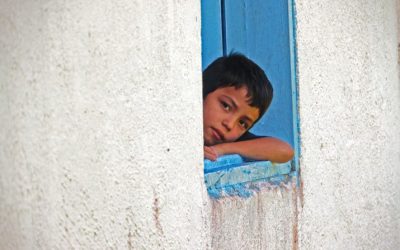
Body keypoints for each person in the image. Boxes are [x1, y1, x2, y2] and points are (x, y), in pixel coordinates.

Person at [203, 53, 294, 163]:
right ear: (202, 92)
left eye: (242, 123)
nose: (230, 125)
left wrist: (221, 150)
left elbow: (285, 150)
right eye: (226, 106)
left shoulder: (232, 141)